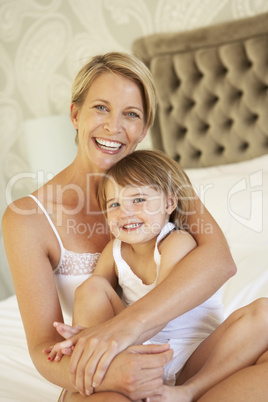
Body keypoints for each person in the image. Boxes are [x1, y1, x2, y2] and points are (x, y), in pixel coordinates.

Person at [1, 51, 242, 401]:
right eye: (101, 108)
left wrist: (125, 328)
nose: (114, 127)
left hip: (187, 358)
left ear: (144, 129)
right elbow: (43, 347)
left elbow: (221, 262)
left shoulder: (165, 185)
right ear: (75, 114)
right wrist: (113, 371)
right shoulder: (27, 218)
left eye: (131, 114)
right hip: (107, 369)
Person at [47, 150, 268, 402]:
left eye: (138, 200)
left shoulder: (175, 242)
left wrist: (110, 336)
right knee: (91, 288)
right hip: (137, 361)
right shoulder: (114, 251)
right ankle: (89, 366)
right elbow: (96, 307)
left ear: (169, 204)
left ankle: (189, 392)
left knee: (263, 313)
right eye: (114, 204)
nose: (125, 212)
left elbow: (162, 311)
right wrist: (86, 336)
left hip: (195, 361)